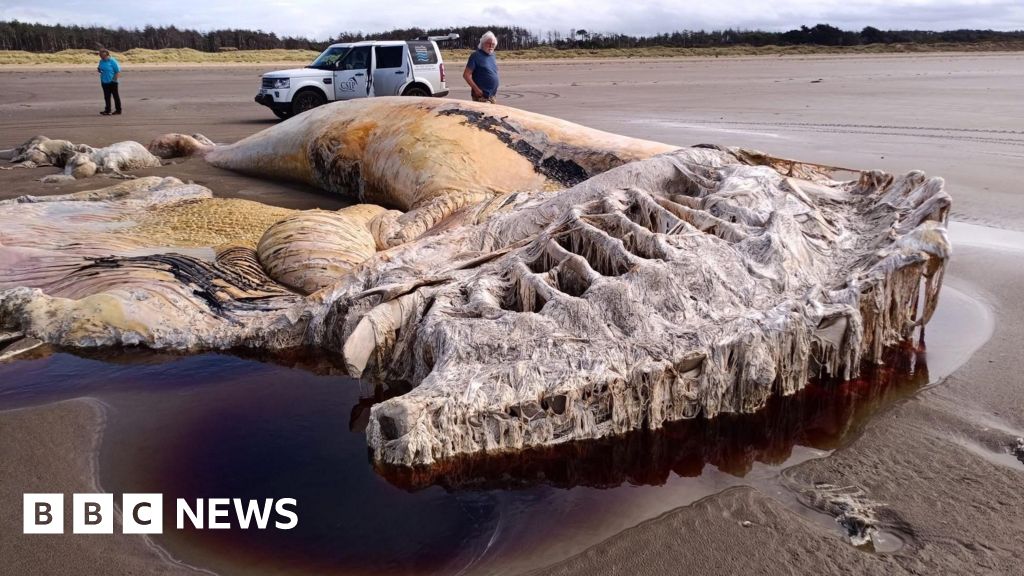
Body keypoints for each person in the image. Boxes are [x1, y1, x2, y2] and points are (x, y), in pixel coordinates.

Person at [463, 31, 499, 103]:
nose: (491, 46)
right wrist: (476, 90)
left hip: (492, 96)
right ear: (482, 43)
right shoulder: (476, 56)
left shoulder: (492, 55)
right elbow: (466, 75)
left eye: (493, 44)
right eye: (488, 43)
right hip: (482, 96)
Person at [97, 49, 122, 115]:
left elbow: (118, 71)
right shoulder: (101, 61)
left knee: (115, 96)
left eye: (102, 56)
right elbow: (100, 68)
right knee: (106, 97)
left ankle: (118, 110)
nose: (101, 57)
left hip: (112, 82)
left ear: (107, 55)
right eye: (100, 56)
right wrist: (99, 69)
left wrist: (114, 80)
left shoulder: (112, 61)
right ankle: (107, 110)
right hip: (104, 81)